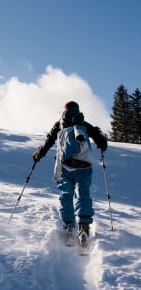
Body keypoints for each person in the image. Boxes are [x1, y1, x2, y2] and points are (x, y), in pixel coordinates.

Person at [33, 101, 107, 245]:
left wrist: (39, 154)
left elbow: (48, 142)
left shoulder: (59, 124)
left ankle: (68, 227)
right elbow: (101, 142)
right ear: (78, 110)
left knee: (66, 195)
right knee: (83, 193)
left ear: (64, 111)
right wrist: (102, 146)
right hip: (84, 166)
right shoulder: (84, 124)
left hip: (65, 166)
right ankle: (84, 227)